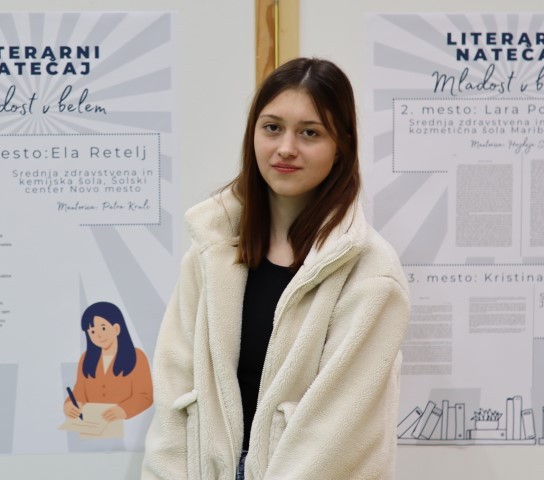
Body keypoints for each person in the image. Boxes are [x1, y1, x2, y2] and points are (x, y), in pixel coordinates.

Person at [141, 58, 410, 479]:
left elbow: (338, 432)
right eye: (272, 128)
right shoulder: (210, 251)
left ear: (341, 146)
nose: (286, 147)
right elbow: (174, 399)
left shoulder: (372, 272)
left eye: (310, 133)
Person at [64, 301, 153, 422]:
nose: (98, 335)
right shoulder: (86, 358)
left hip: (125, 424)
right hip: (91, 425)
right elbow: (79, 391)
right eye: (93, 331)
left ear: (116, 328)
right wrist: (70, 404)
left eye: (103, 328)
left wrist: (123, 410)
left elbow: (145, 395)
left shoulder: (137, 356)